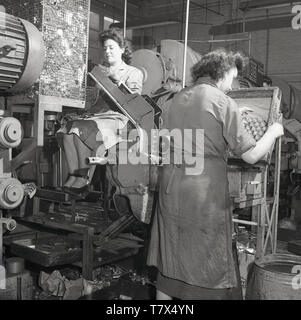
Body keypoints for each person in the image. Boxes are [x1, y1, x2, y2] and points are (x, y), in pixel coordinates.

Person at [147, 48, 284, 300]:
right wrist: (273, 131)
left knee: (170, 260)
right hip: (203, 195)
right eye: (231, 79)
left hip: (171, 188)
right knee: (206, 263)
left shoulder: (176, 98)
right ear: (221, 74)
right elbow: (251, 155)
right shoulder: (222, 101)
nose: (231, 86)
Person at [56, 28, 143, 195]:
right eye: (104, 48)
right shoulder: (99, 73)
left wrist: (114, 82)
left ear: (122, 49)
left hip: (119, 119)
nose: (107, 51)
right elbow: (94, 101)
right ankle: (74, 175)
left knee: (80, 130)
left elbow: (133, 104)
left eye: (111, 47)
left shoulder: (134, 73)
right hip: (98, 116)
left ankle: (84, 178)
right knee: (67, 130)